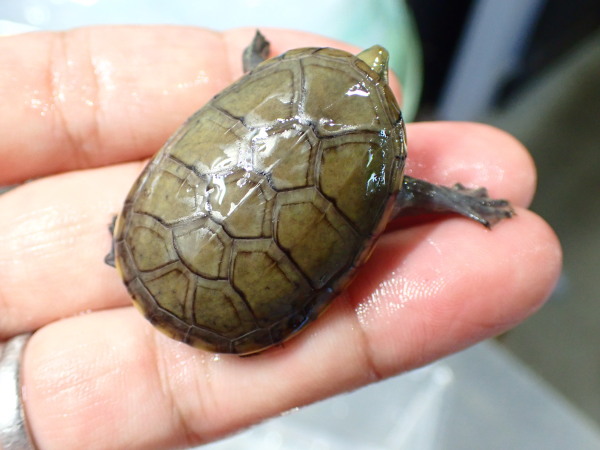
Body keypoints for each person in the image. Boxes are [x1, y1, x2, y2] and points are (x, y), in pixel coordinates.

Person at [0, 26, 561, 449]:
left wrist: (256, 63)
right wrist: (464, 202)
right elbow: (404, 194)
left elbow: (391, 189)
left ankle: (129, 248)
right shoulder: (382, 156)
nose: (376, 59)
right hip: (223, 296)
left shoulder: (282, 79)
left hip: (153, 246)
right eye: (372, 68)